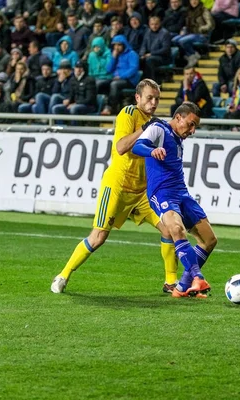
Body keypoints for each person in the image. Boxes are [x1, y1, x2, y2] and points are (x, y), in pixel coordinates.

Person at [51, 79, 179, 294]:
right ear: (138, 98)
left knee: (169, 228)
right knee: (99, 237)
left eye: (157, 99)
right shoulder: (128, 113)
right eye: (149, 98)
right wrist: (144, 129)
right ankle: (63, 275)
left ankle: (170, 282)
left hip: (142, 191)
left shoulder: (156, 123)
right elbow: (121, 147)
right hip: (118, 186)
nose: (154, 103)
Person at [132, 101, 217, 298]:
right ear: (178, 117)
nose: (193, 130)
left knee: (209, 239)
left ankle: (181, 288)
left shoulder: (178, 139)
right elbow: (138, 146)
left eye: (195, 126)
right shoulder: (158, 128)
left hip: (181, 194)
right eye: (191, 124)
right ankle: (197, 278)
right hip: (161, 193)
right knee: (176, 229)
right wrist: (151, 151)